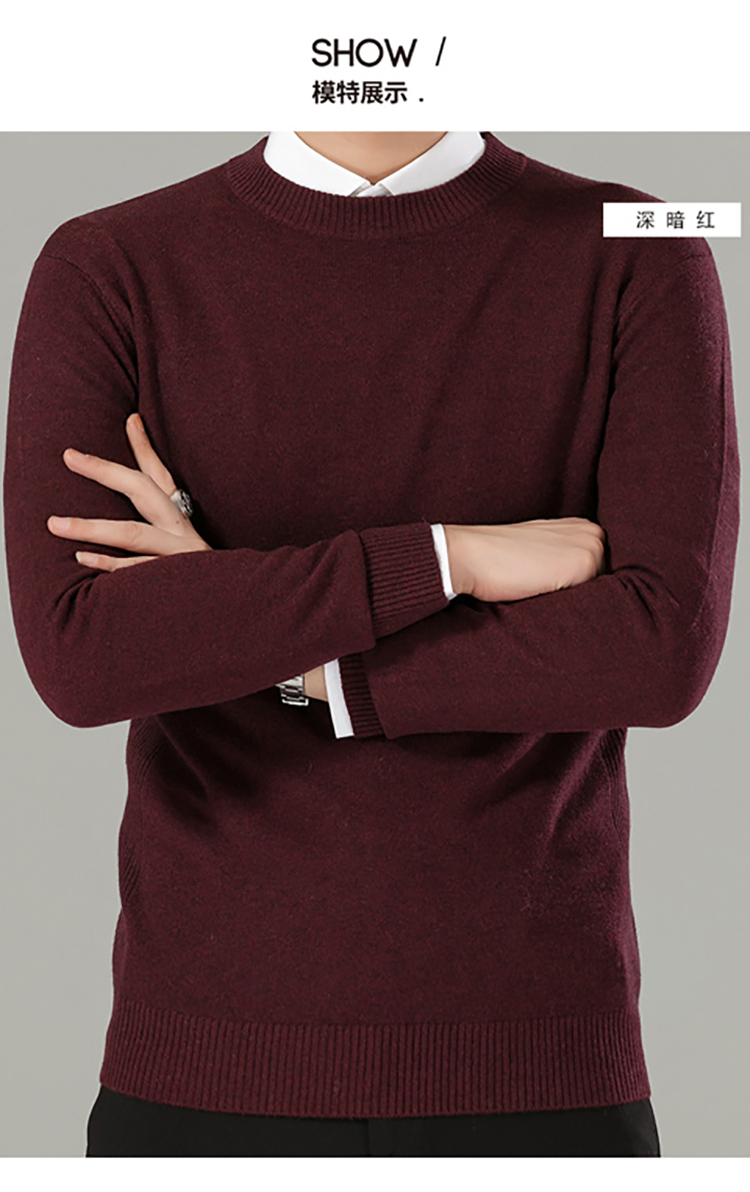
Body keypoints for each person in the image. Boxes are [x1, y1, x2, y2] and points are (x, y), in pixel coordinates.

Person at [3, 131, 739, 1156]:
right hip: (204, 1066)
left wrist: (269, 632)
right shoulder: (110, 264)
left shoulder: (640, 248)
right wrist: (446, 557)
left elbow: (658, 649)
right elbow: (83, 656)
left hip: (541, 1067)